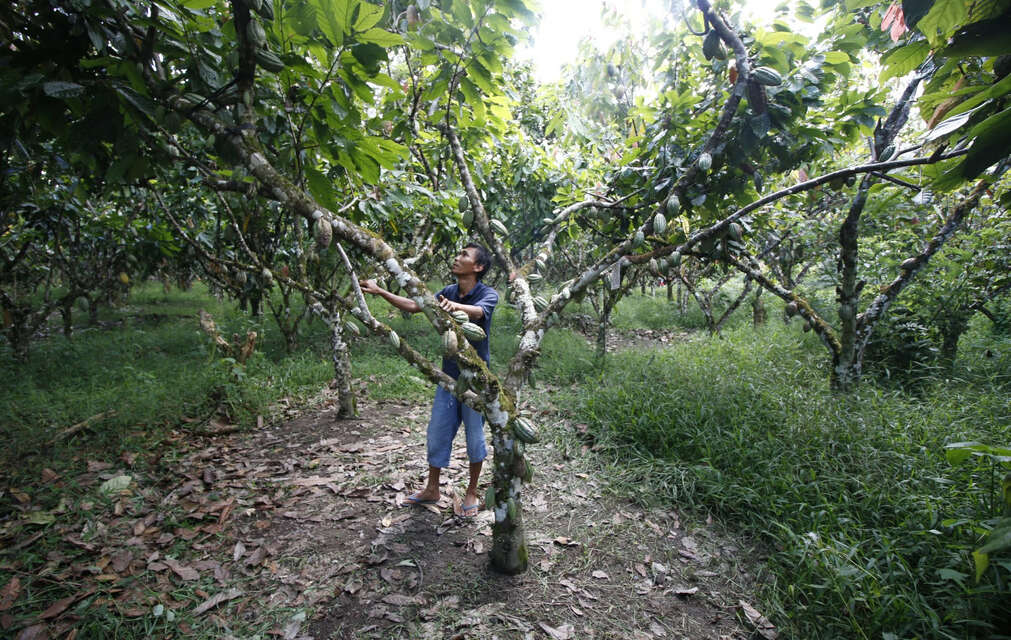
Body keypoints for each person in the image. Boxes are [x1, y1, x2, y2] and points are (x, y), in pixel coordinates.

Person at [359, 243, 498, 517]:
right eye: (458, 253)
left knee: (475, 439)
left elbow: (478, 312)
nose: (457, 257)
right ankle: (432, 488)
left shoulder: (488, 294)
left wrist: (453, 307)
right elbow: (415, 305)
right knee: (437, 432)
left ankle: (471, 491)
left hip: (476, 380)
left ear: (478, 266)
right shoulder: (447, 291)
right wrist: (381, 291)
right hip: (448, 377)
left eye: (464, 255)